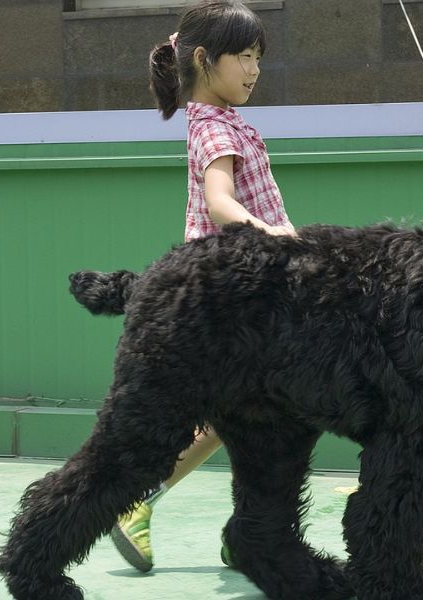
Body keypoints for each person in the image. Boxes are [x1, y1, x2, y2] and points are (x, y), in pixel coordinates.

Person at [109, 0, 294, 573]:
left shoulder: (223, 120)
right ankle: (140, 499)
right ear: (202, 59)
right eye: (243, 55)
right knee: (248, 407)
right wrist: (277, 234)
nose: (254, 68)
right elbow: (220, 203)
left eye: (258, 56)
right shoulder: (213, 125)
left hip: (234, 283)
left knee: (248, 407)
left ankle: (243, 531)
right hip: (229, 288)